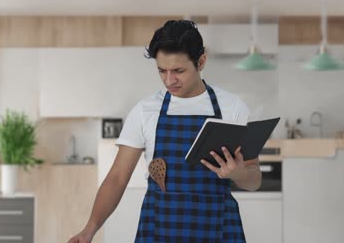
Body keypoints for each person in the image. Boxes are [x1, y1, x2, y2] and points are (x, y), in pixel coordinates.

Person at [68, 20, 262, 243]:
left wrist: (236, 173)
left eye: (179, 71)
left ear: (201, 62)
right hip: (160, 228)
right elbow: (117, 178)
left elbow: (254, 179)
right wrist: (89, 229)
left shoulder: (233, 108)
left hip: (218, 228)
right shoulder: (145, 111)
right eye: (162, 70)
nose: (169, 80)